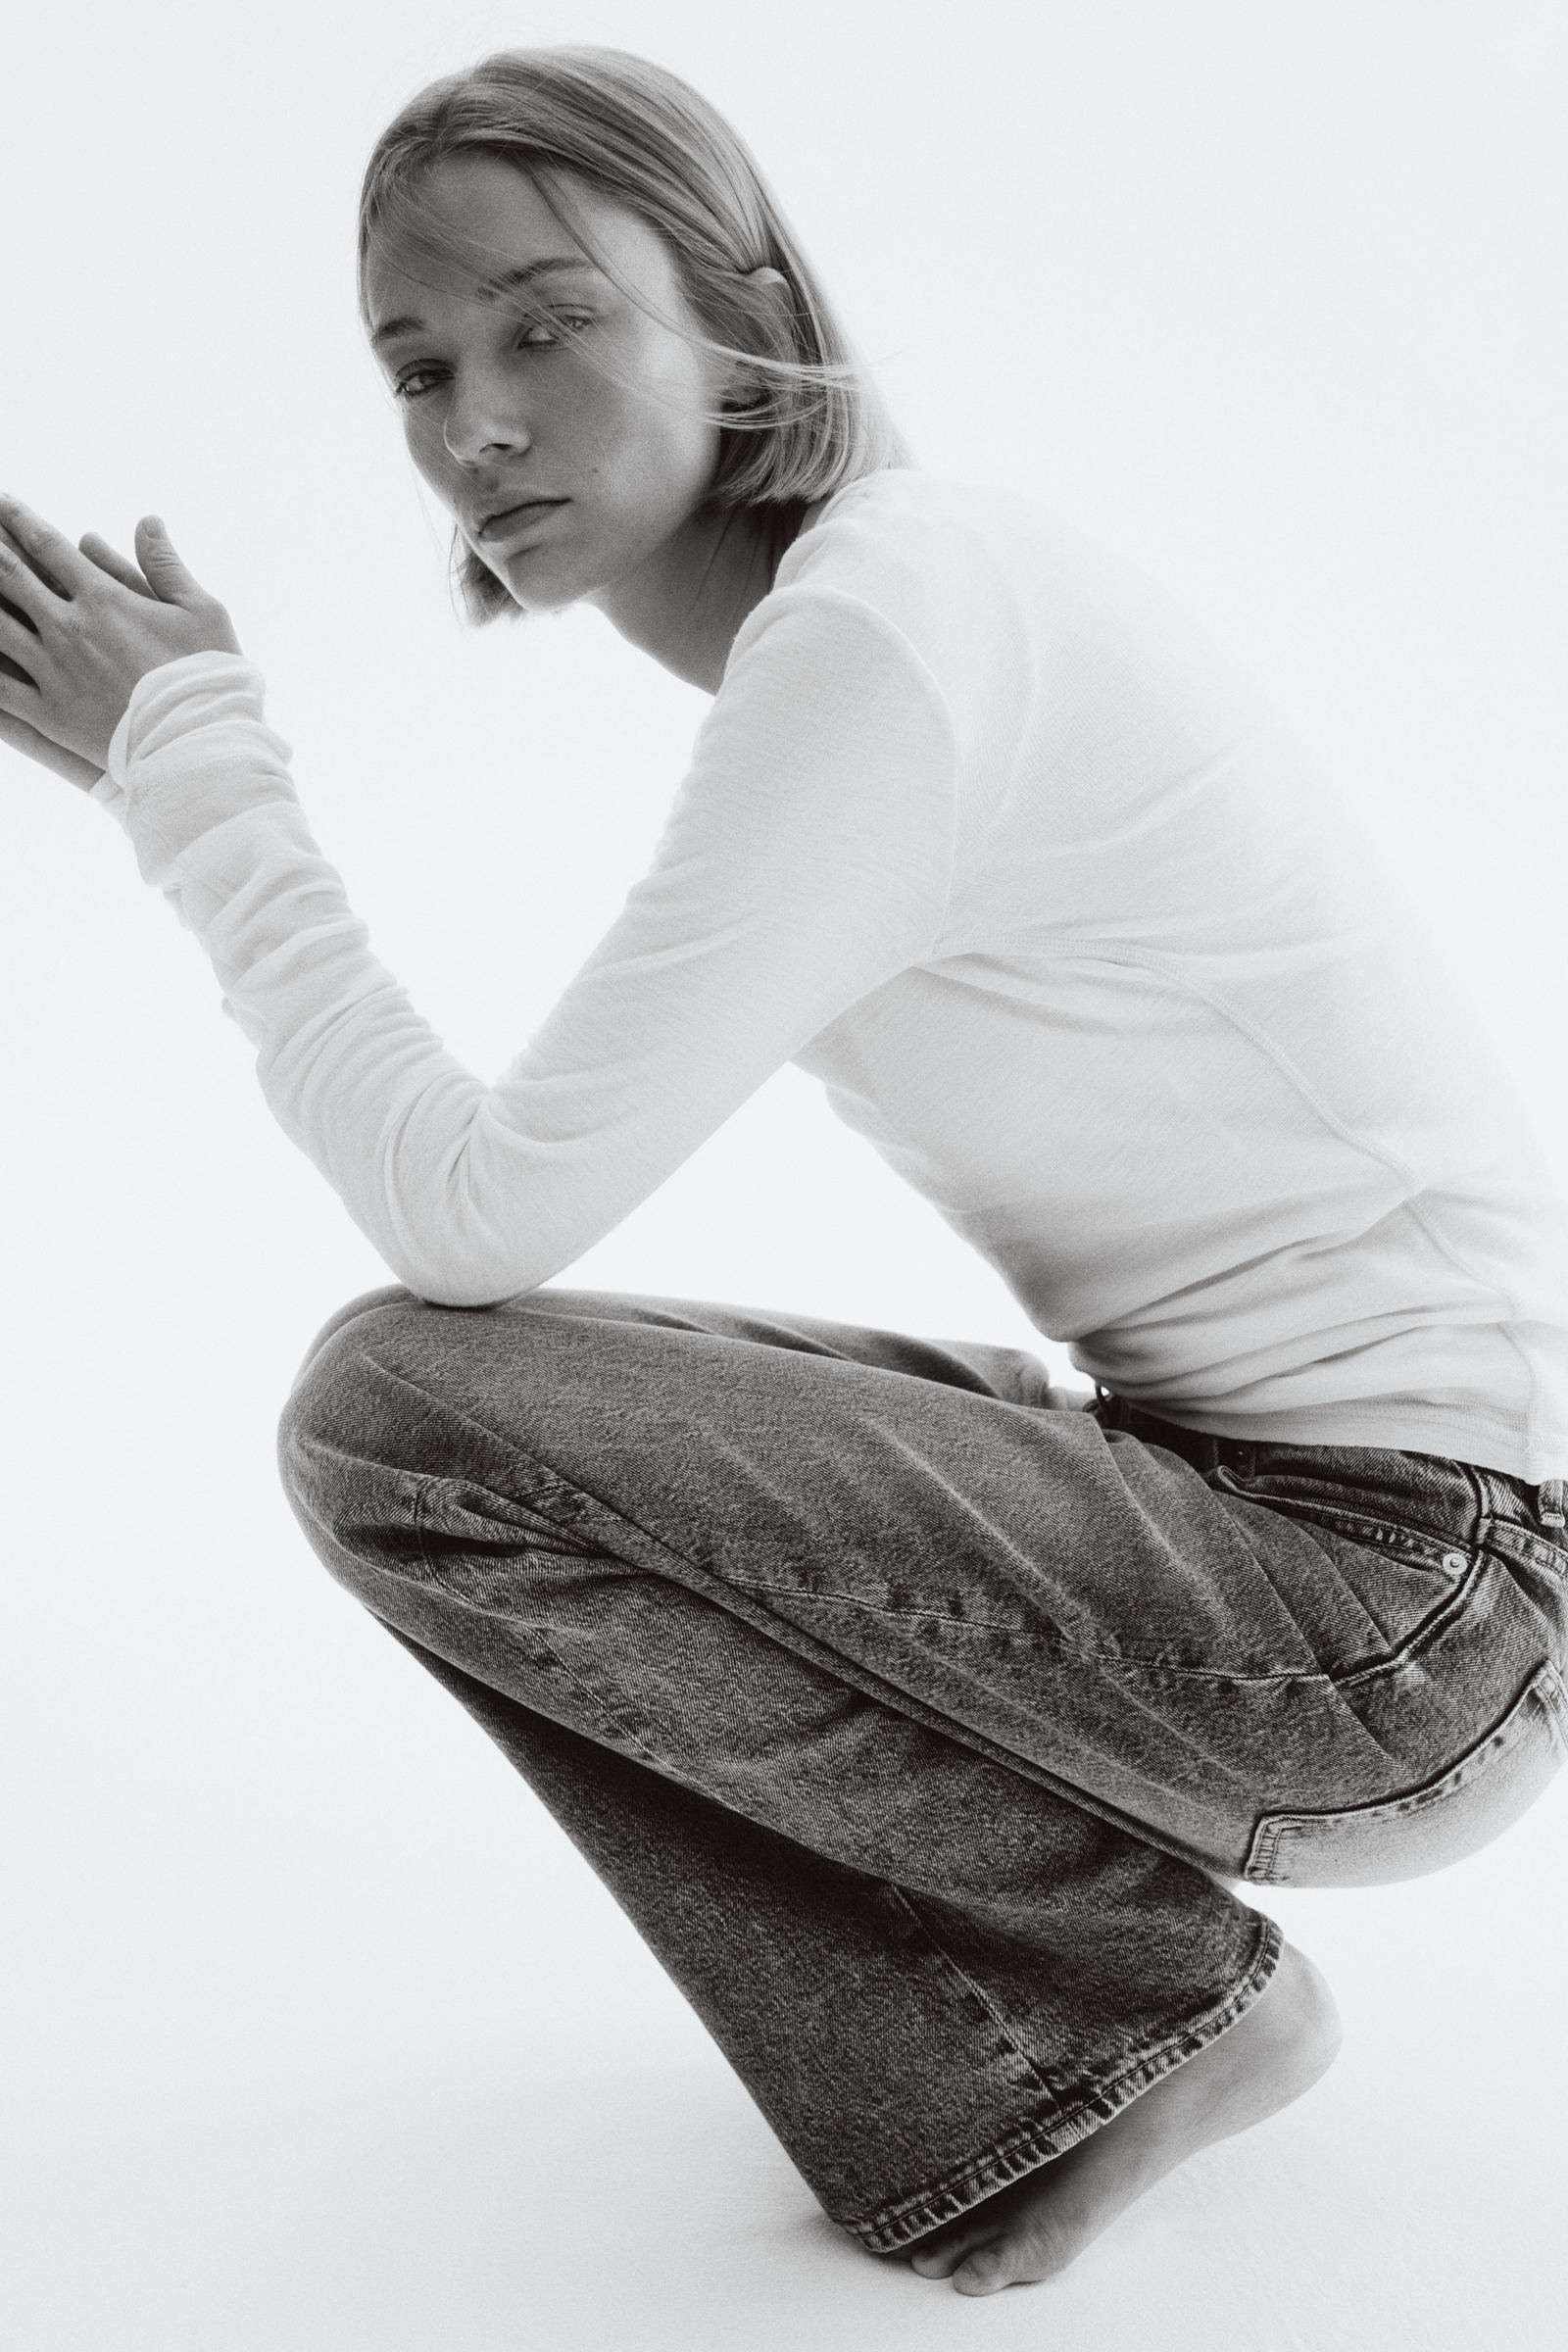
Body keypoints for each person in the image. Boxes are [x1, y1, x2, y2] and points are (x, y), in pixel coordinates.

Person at [3, 40, 1566, 2301]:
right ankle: (1067, 2033)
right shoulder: (879, 617)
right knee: (472, 1420)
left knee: (404, 1417)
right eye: (418, 367)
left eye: (549, 323)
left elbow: (475, 1214)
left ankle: (1119, 2012)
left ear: (744, 314)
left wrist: (197, 780)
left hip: (1400, 1619)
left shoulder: (891, 623)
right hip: (1317, 1546)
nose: (476, 424)